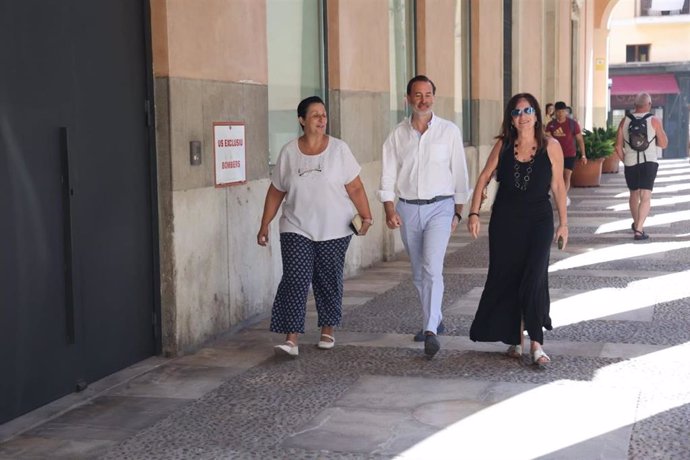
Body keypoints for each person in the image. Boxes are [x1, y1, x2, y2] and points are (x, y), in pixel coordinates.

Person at [257, 96, 373, 357]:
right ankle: (291, 339)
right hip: (296, 226)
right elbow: (276, 191)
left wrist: (366, 216)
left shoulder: (339, 149)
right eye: (315, 115)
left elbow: (354, 186)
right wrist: (265, 224)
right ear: (302, 120)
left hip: (335, 227)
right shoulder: (289, 152)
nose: (322, 119)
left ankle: (327, 329)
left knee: (328, 279)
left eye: (324, 114)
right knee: (295, 279)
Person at [466, 93, 568, 367]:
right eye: (516, 112)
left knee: (534, 276)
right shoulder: (503, 145)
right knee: (508, 276)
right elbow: (484, 177)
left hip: (539, 220)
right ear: (510, 119)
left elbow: (558, 186)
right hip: (505, 221)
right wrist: (474, 213)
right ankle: (515, 338)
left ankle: (536, 342)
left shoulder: (551, 146)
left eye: (527, 110)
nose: (522, 116)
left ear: (536, 114)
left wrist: (564, 223)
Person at [378, 75, 470, 359]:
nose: (423, 99)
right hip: (407, 208)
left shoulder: (449, 131)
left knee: (432, 266)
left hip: (440, 207)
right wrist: (389, 208)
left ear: (434, 97)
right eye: (417, 95)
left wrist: (459, 210)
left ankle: (430, 329)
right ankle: (436, 317)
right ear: (407, 98)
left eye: (428, 94)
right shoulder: (397, 135)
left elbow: (460, 172)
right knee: (419, 271)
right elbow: (388, 173)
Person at [614, 92, 668, 241]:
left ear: (634, 105)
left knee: (633, 194)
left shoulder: (624, 120)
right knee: (646, 196)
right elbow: (663, 144)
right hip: (649, 162)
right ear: (649, 104)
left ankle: (637, 224)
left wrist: (626, 160)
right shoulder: (654, 120)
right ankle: (639, 229)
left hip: (631, 162)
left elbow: (617, 147)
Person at [545, 101, 586, 206]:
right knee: (556, 176)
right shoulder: (551, 125)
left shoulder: (573, 124)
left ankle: (563, 196)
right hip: (555, 155)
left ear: (566, 112)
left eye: (562, 111)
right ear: (555, 112)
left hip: (569, 154)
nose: (560, 113)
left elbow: (580, 139)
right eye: (558, 111)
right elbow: (547, 139)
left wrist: (583, 155)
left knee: (567, 176)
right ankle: (559, 194)